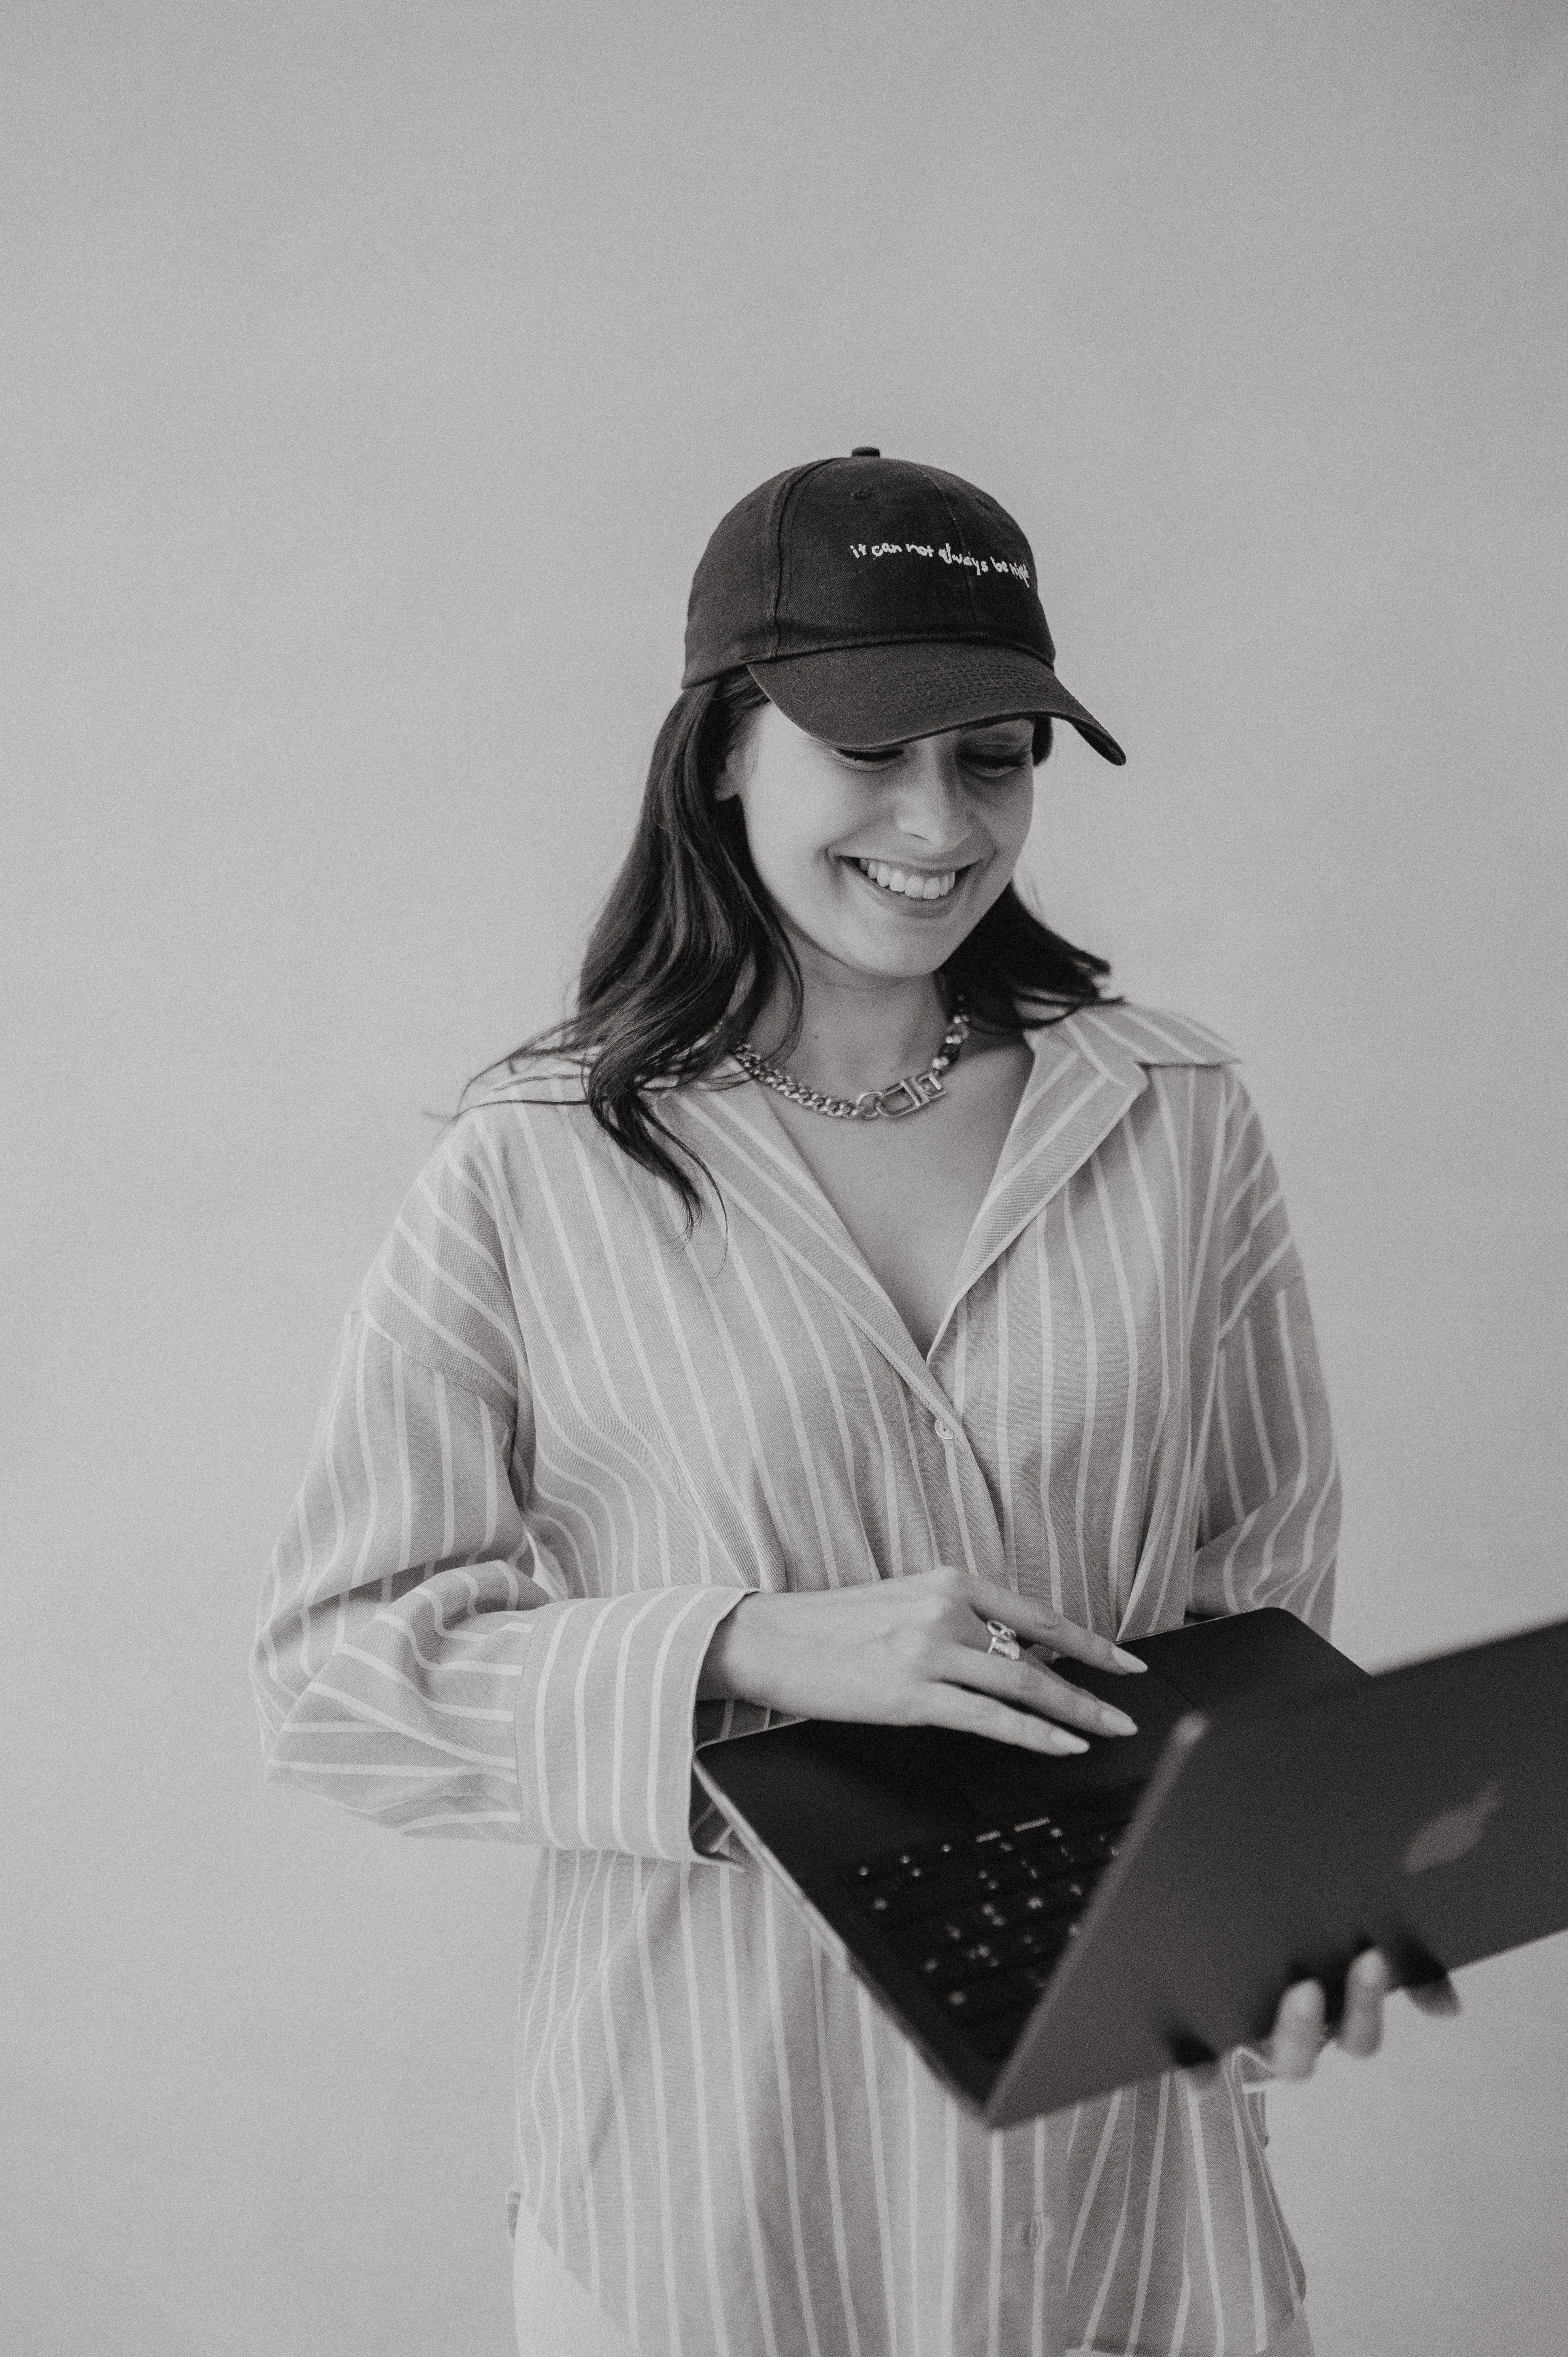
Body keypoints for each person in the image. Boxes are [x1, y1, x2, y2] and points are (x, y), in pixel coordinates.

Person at [252, 451, 1451, 2357]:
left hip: (1119, 2167)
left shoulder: (1176, 1115)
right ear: (725, 747)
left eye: (994, 756)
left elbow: (1255, 1610)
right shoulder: (535, 1162)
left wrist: (1285, 1906)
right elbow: (330, 1673)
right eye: (873, 750)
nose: (940, 819)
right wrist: (744, 1646)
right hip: (703, 2164)